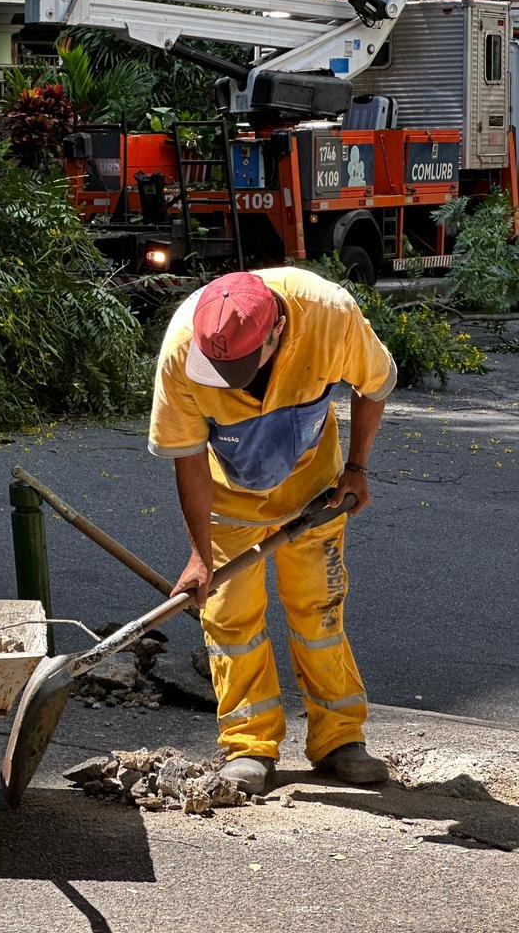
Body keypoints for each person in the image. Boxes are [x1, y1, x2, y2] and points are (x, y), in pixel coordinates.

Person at [149, 267, 396, 796]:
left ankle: (339, 740)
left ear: (276, 333)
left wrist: (357, 467)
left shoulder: (331, 315)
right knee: (231, 619)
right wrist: (199, 555)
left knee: (319, 611)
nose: (219, 375)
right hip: (229, 500)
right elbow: (187, 455)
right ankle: (248, 746)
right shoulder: (183, 348)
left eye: (235, 368)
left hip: (315, 493)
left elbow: (375, 384)